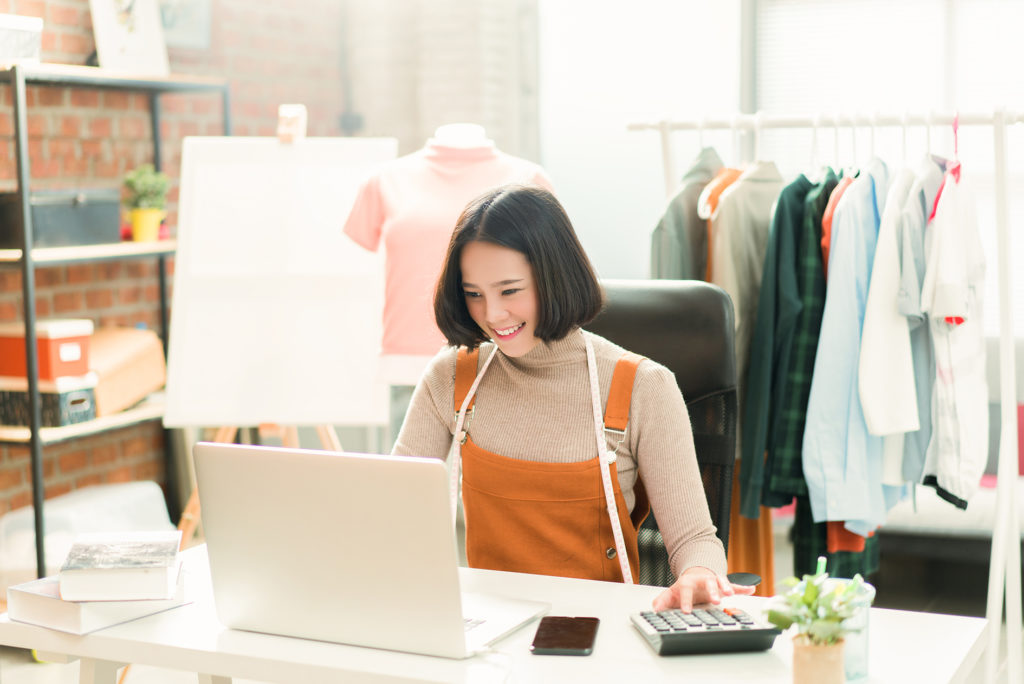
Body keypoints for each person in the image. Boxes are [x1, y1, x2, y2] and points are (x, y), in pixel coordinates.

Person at [392, 183, 754, 612]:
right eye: (474, 294)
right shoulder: (453, 376)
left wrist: (699, 575)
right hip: (489, 631)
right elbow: (394, 508)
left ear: (554, 276)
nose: (491, 315)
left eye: (509, 291)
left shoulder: (643, 387)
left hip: (599, 631)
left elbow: (696, 540)